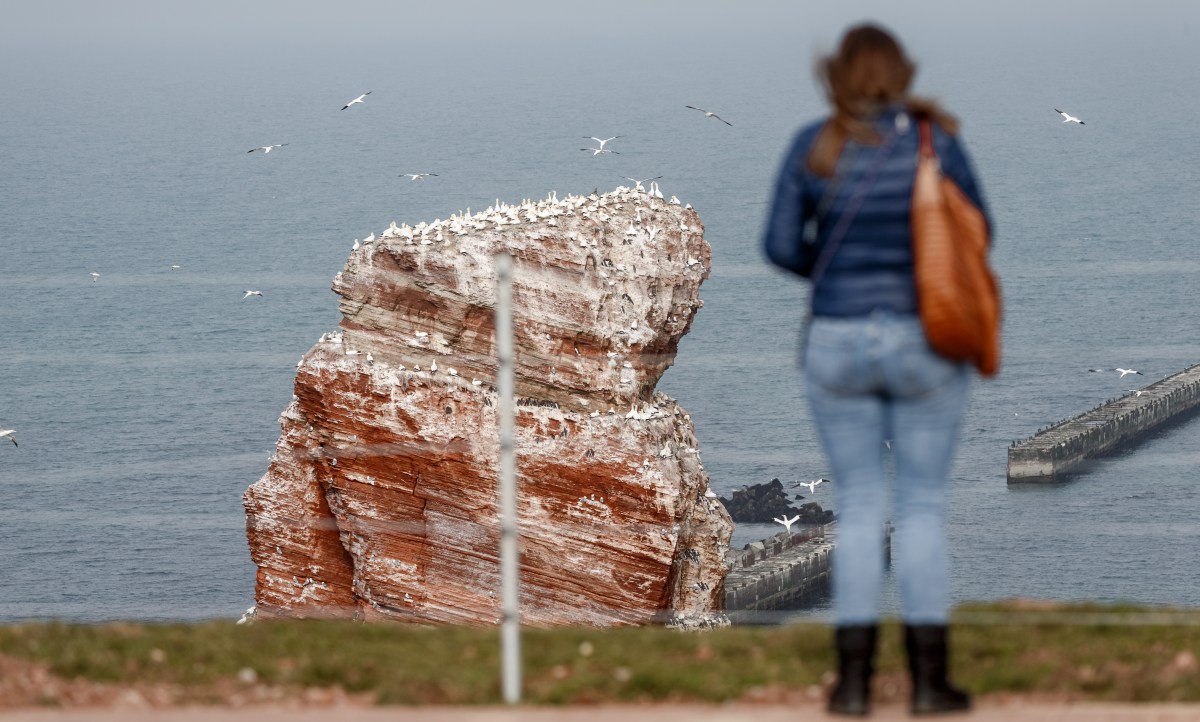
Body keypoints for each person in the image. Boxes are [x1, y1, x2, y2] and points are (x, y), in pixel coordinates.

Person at [763, 23, 991, 716]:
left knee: (860, 508)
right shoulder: (934, 143)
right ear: (901, 73)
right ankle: (928, 684)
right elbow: (978, 231)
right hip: (923, 339)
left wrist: (829, 279)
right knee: (920, 509)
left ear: (835, 75)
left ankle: (854, 685)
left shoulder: (814, 145)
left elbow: (778, 244)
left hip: (835, 340)